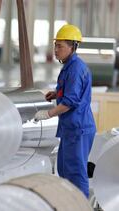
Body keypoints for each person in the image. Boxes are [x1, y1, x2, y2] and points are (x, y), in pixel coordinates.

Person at [34, 24, 96, 198]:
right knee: (63, 169)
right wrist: (56, 94)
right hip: (70, 129)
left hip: (79, 129)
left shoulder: (76, 69)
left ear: (72, 47)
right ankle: (69, 203)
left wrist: (48, 113)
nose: (55, 50)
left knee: (76, 173)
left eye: (60, 46)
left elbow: (71, 101)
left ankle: (81, 206)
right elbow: (67, 92)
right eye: (55, 45)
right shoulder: (69, 66)